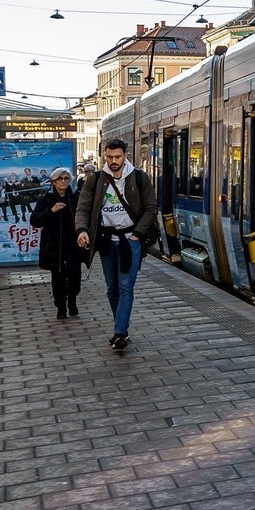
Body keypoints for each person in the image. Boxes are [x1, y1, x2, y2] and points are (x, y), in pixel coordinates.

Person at [76, 138, 159, 351]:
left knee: (125, 287)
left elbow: (151, 208)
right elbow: (83, 208)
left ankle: (120, 332)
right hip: (106, 241)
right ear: (105, 155)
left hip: (130, 241)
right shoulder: (94, 180)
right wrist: (82, 230)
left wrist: (137, 235)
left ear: (125, 155)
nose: (114, 161)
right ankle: (120, 326)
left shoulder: (139, 178)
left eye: (118, 157)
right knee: (112, 288)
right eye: (110, 157)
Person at [30, 168, 85, 320]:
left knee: (74, 276)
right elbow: (35, 220)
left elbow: (85, 215)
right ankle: (61, 306)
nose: (63, 181)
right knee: (58, 277)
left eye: (66, 178)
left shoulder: (75, 197)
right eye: (59, 179)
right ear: (53, 182)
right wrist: (51, 210)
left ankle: (72, 300)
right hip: (54, 245)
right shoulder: (46, 198)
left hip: (74, 244)